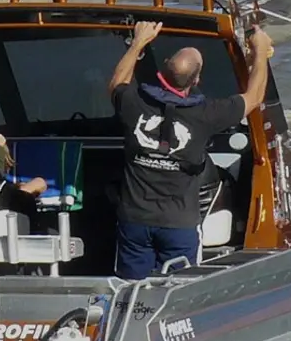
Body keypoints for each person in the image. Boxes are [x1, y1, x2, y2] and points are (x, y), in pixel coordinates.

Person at [106, 16, 272, 280]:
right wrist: (260, 51)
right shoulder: (205, 114)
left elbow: (117, 83)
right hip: (178, 227)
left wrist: (138, 43)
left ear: (162, 71)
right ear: (196, 80)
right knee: (179, 290)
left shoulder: (133, 103)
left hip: (134, 222)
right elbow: (254, 97)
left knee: (128, 289)